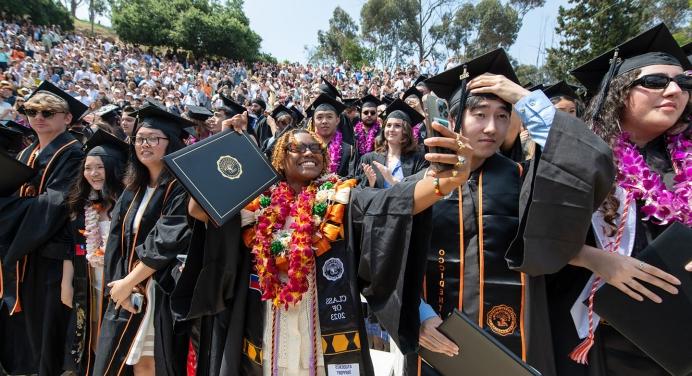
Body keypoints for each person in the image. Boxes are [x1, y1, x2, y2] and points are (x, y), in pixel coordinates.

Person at [175, 114, 475, 375]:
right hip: (266, 340)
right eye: (299, 147)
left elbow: (393, 203)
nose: (310, 152)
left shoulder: (343, 198)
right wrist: (224, 145)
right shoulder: (257, 205)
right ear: (279, 157)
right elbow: (199, 209)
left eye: (316, 147)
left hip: (325, 343)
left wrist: (444, 182)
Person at [410, 48, 615, 376]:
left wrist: (525, 98)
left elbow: (589, 163)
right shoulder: (419, 187)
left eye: (503, 115)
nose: (492, 127)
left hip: (517, 340)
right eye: (480, 114)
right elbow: (390, 261)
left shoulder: (527, 180)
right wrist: (415, 315)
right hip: (434, 342)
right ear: (452, 119)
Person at [539, 23, 691, 376]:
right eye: (655, 81)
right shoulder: (582, 158)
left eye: (684, 83)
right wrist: (597, 259)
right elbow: (535, 238)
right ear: (618, 91)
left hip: (682, 332)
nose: (673, 90)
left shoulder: (687, 159)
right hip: (603, 336)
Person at [93, 105, 194, 375]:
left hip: (158, 290)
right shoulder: (133, 188)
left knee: (148, 362)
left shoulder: (181, 187)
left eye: (153, 138)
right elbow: (116, 243)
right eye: (139, 138)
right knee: (125, 360)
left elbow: (166, 241)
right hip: (129, 289)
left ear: (170, 144)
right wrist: (120, 288)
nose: (144, 144)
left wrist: (129, 284)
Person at [0, 80, 88, 375]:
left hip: (50, 259)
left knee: (45, 329)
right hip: (24, 254)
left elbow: (55, 205)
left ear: (67, 118)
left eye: (48, 112)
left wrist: (5, 212)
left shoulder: (74, 155)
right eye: (32, 110)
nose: (38, 117)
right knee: (24, 334)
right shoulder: (27, 154)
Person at [64, 129, 128, 374]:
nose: (93, 174)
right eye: (88, 168)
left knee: (115, 344)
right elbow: (73, 245)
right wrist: (66, 283)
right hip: (90, 284)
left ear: (113, 167)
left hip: (118, 283)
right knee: (92, 341)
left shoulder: (128, 203)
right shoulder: (84, 204)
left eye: (99, 167)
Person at [358, 99, 428, 188]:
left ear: (406, 131)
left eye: (397, 126)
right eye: (388, 125)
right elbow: (359, 192)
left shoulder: (419, 160)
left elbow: (420, 191)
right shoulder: (369, 159)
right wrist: (371, 183)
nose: (391, 129)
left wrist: (393, 180)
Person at [306, 94, 358, 177]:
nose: (324, 121)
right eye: (319, 117)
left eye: (329, 117)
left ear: (337, 120)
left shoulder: (349, 150)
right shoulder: (305, 148)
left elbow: (353, 177)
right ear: (313, 122)